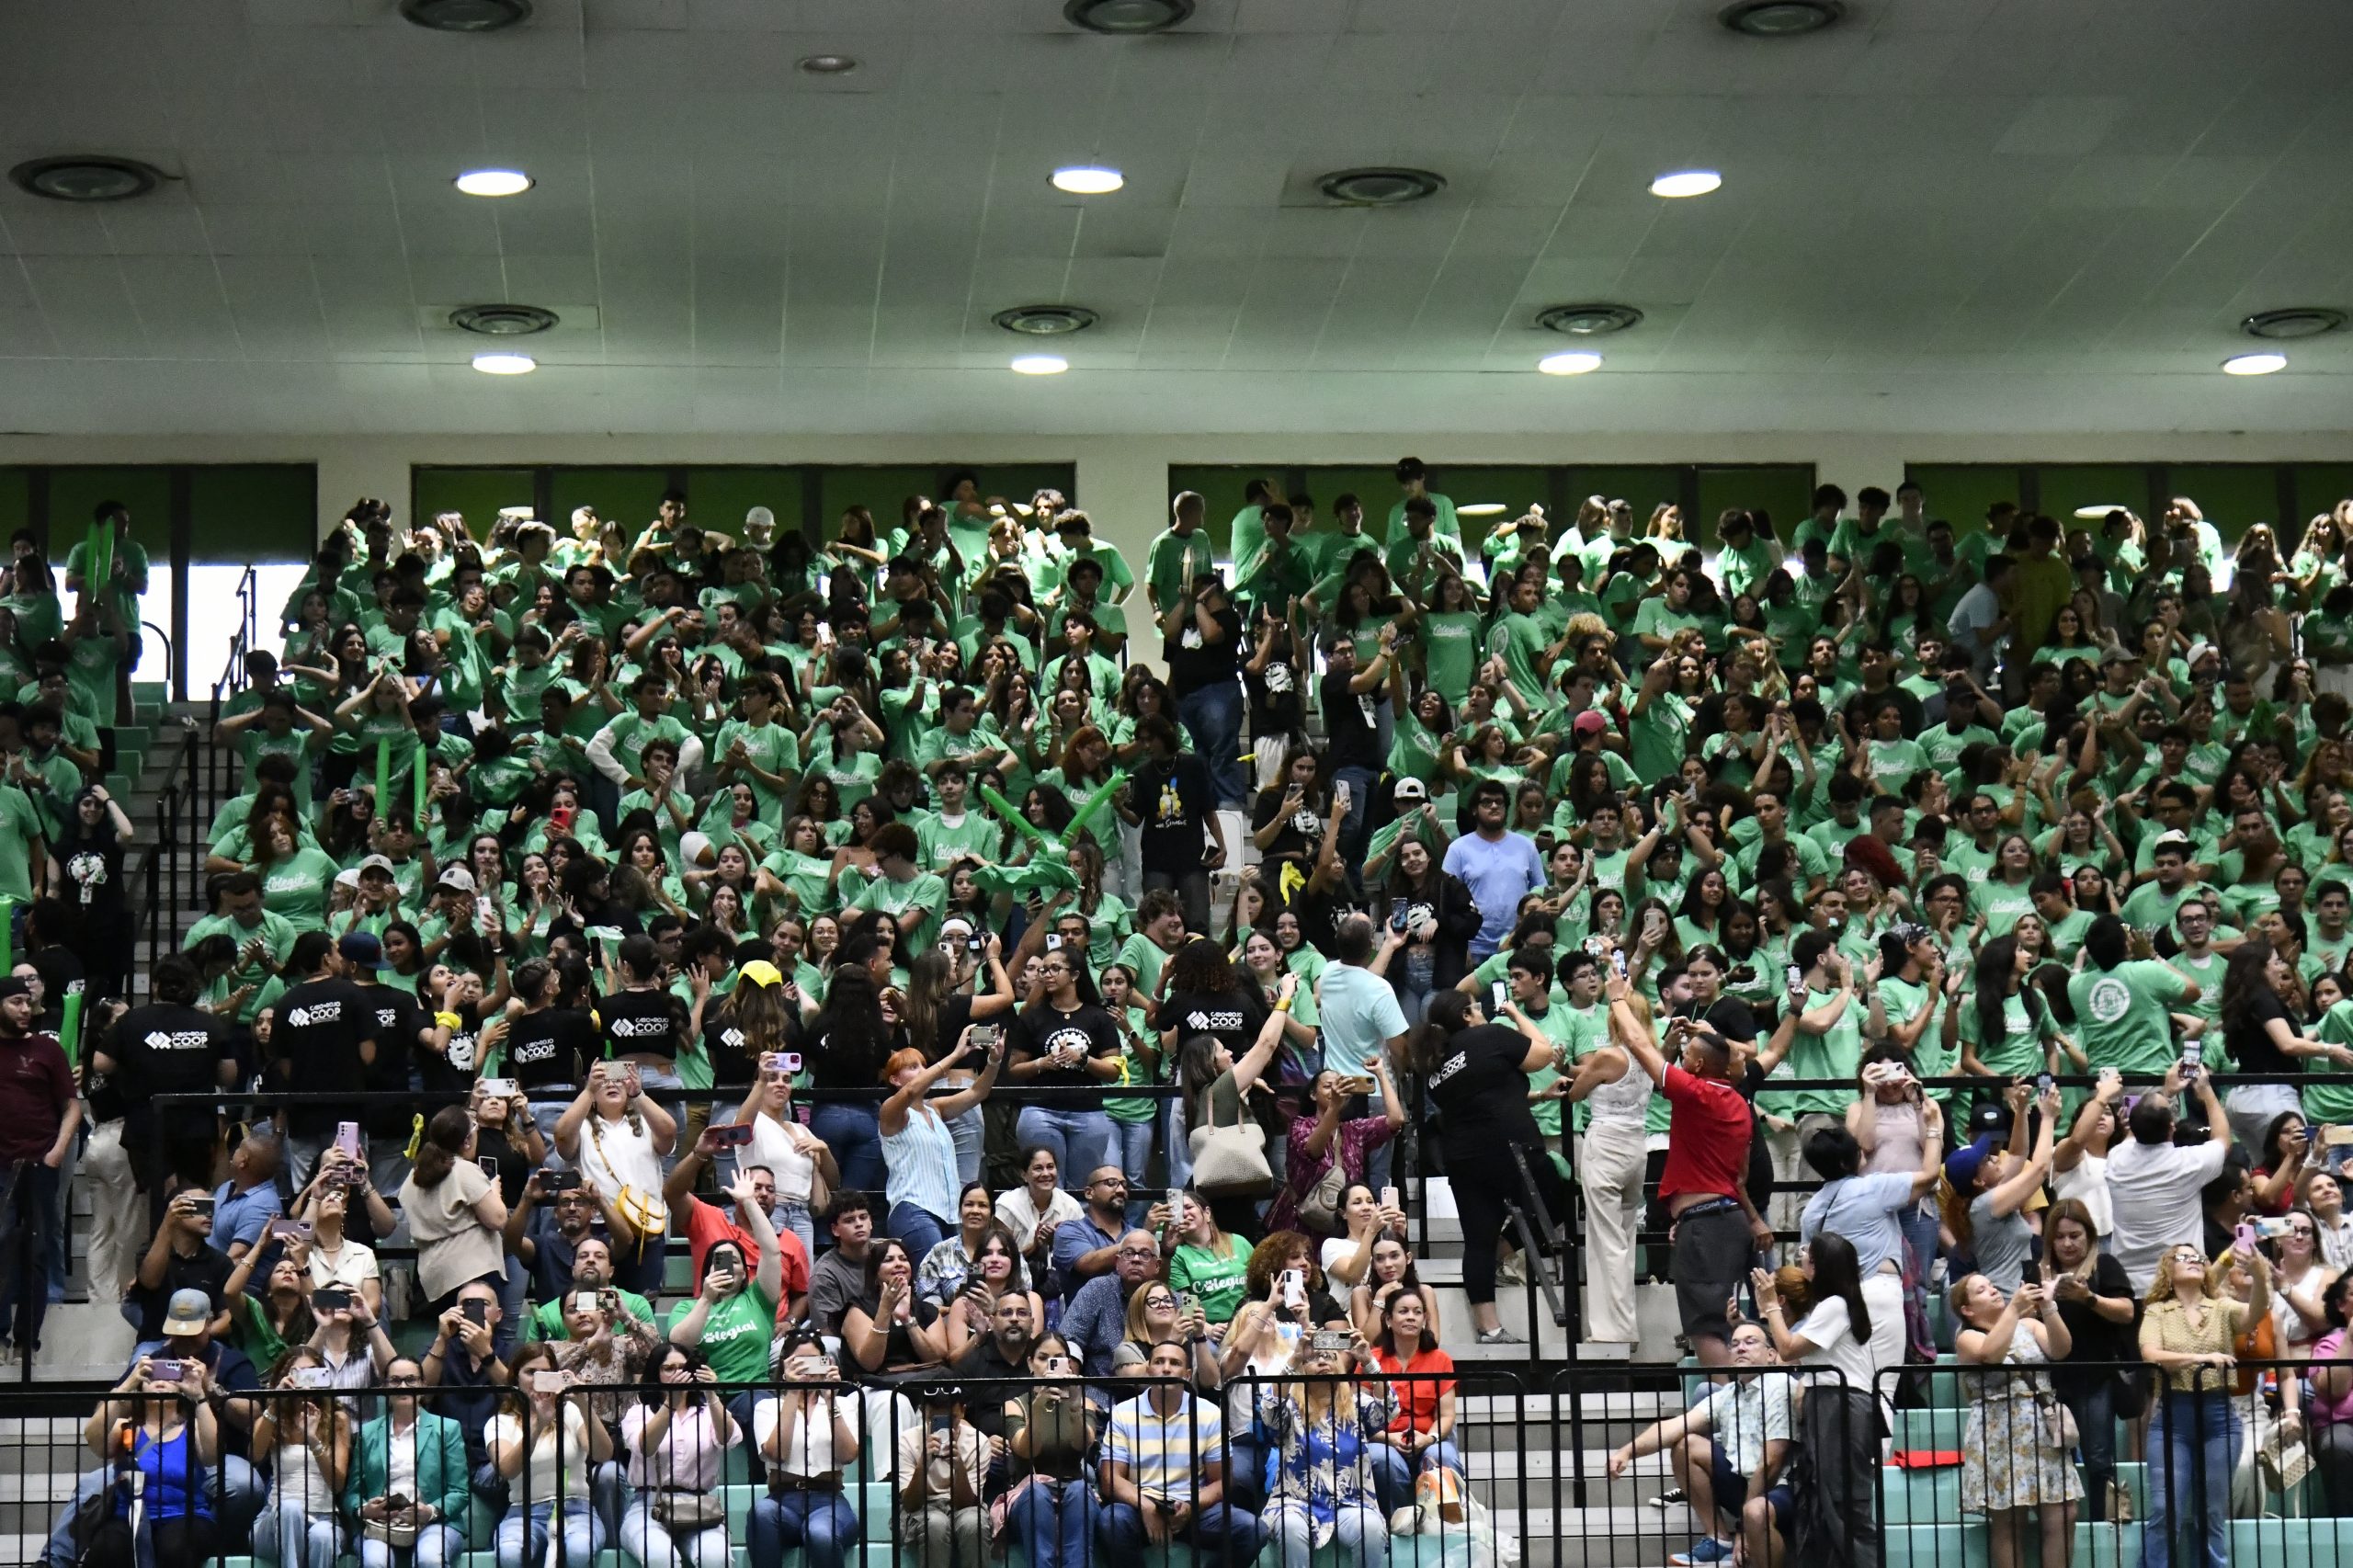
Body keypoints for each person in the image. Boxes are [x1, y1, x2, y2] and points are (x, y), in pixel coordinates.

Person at [1607, 967, 1762, 1367]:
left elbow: (1641, 1045)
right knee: (1727, 1317)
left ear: (1695, 1067)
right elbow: (1739, 1177)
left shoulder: (1696, 1093)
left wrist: (1618, 998)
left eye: (1686, 1056)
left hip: (1707, 1224)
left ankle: (1729, 1406)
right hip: (1724, 1219)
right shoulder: (1739, 1105)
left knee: (1706, 1325)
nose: (1679, 1058)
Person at [1407, 987, 1562, 1346]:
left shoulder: (1435, 1066)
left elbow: (1490, 1093)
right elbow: (1542, 1054)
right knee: (1556, 1200)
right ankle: (1502, 1252)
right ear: (1465, 1016)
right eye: (1476, 1008)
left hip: (1464, 1159)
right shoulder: (1489, 1035)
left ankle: (1489, 1328)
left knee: (1477, 1239)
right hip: (1512, 1149)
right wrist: (1515, 1015)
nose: (1481, 1013)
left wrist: (1540, 1095)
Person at [1608, 1319, 1792, 1568]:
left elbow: (1770, 1463)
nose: (1740, 1348)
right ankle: (1718, 1539)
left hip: (1780, 1488)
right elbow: (1675, 1426)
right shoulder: (1728, 1394)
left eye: (1750, 1342)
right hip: (1742, 1481)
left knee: (1755, 1513)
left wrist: (1744, 1529)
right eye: (1735, 1344)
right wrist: (1627, 1451)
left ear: (1771, 1354)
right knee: (1686, 1444)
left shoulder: (1780, 1386)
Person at [2141, 1241, 2271, 1568]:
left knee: (2212, 1512)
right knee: (2164, 1508)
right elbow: (2151, 1355)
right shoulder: (2158, 1310)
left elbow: (2256, 1313)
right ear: (2168, 1270)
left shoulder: (2222, 1306)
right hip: (2172, 1419)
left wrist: (2258, 1273)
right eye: (2182, 1257)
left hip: (2219, 1419)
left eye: (2197, 1256)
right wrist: (2201, 1358)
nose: (2193, 1260)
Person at [1951, 1269, 2081, 1568]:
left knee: (2064, 1512)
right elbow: (1990, 1355)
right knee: (2009, 1519)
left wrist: (2048, 1306)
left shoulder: (2028, 1324)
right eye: (1981, 1290)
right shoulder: (1968, 1336)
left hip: (2041, 1429)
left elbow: (2061, 1349)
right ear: (1967, 1310)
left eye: (1992, 1285)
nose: (1993, 1290)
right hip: (1998, 1433)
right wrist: (2013, 1308)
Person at [1096, 1338, 1262, 1561]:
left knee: (1253, 1530)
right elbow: (1110, 1479)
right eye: (1159, 1362)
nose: (1166, 1368)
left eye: (1174, 1363)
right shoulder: (1123, 1413)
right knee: (1112, 1522)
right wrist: (1145, 1506)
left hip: (1194, 1507)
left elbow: (1223, 1480)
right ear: (1148, 1369)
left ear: (1187, 1374)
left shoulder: (1209, 1413)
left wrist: (1192, 1506)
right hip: (1140, 1506)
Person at [68, 1351, 224, 1568]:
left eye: (168, 1376)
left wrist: (199, 1396)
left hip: (185, 1516)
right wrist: (126, 1385)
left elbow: (213, 1453)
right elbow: (94, 1440)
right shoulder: (127, 1426)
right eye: (152, 1375)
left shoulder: (193, 1428)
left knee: (174, 1546)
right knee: (107, 1545)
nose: (160, 1381)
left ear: (179, 1385)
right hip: (128, 1516)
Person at [1256, 1329, 1393, 1568]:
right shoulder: (1290, 1406)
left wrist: (1368, 1360)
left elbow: (1389, 1408)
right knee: (1290, 1527)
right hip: (1295, 1502)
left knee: (1370, 1527)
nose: (1321, 1361)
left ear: (1339, 1366)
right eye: (1312, 1358)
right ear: (1302, 1368)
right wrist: (1294, 1358)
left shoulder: (1357, 1404)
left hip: (1351, 1502)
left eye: (1329, 1356)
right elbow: (1269, 1410)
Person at [2040, 1197, 2140, 1525]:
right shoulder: (2038, 1271)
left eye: (2075, 1235)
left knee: (2099, 1461)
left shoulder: (2105, 1265)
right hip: (2052, 1384)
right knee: (2053, 1464)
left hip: (2097, 1378)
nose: (2067, 1243)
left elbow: (2127, 1312)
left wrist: (2089, 1298)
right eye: (2059, 1236)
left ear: (2090, 1236)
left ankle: (2102, 1532)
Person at [2106, 1064, 2234, 1293]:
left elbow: (2138, 1127)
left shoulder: (2116, 1159)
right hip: (2179, 1287)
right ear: (2172, 1128)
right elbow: (2223, 1139)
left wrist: (2166, 1093)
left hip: (2129, 1288)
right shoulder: (2188, 1164)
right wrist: (2206, 1091)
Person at [0, 973, 76, 1358]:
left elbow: (71, 1106)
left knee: (39, 1249)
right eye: (16, 1002)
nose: (25, 1009)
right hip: (1, 1165)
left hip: (40, 1163)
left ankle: (27, 1337)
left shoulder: (47, 1051)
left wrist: (58, 1151)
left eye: (28, 1002)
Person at [486, 1342, 613, 1568]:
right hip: (522, 1512)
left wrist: (584, 1402)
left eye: (544, 1373)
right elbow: (507, 1469)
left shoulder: (571, 1411)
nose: (537, 1379)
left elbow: (603, 1454)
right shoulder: (499, 1422)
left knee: (579, 1550)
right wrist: (538, 1425)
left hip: (575, 1508)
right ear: (516, 1378)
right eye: (530, 1372)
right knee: (509, 1554)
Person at [880, 1030, 1004, 1259]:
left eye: (923, 1065)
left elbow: (978, 1092)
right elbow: (910, 1090)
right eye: (913, 1067)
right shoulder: (891, 1111)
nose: (923, 1071)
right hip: (913, 1209)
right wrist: (956, 1055)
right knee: (934, 1285)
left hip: (948, 1214)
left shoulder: (934, 1108)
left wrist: (994, 1060)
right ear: (895, 1079)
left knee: (954, 1282)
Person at [617, 1341, 738, 1568]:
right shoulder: (639, 1412)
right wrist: (670, 1405)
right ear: (657, 1373)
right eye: (668, 1368)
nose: (677, 1373)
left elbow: (728, 1439)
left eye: (683, 1367)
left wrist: (711, 1393)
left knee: (715, 1557)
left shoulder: (707, 1410)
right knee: (661, 1556)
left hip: (699, 1505)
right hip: (649, 1505)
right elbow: (645, 1448)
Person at [342, 1355, 469, 1568]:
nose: (403, 1386)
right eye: (395, 1380)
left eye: (411, 1379)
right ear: (384, 1387)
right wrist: (364, 1510)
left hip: (435, 1522)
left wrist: (430, 1511)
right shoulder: (368, 1432)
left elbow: (460, 1491)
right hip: (379, 1524)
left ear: (423, 1385)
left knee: (429, 1558)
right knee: (373, 1562)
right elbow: (352, 1492)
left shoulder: (447, 1429)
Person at [1315, 915, 1411, 1195]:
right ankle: (1377, 1235)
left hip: (1338, 1093)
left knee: (1343, 1173)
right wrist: (1402, 1073)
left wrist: (1391, 945)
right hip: (1375, 1092)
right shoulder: (1379, 990)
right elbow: (1399, 1047)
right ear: (1370, 945)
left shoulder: (1330, 974)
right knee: (1376, 1180)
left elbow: (1364, 977)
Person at [749, 1335, 863, 1568]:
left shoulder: (845, 1405)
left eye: (813, 1361)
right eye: (799, 1362)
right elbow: (777, 1453)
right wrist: (792, 1392)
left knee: (820, 1533)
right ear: (785, 1365)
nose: (806, 1368)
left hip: (829, 1501)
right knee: (761, 1511)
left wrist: (831, 1400)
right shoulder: (768, 1407)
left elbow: (848, 1455)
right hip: (784, 1500)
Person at [396, 1107, 508, 1317]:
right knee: (477, 1339)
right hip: (474, 1273)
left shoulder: (412, 1178)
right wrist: (493, 1192)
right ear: (466, 1140)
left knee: (452, 1340)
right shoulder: (464, 1170)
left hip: (436, 1278)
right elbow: (498, 1219)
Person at [1000, 1332, 1098, 1568]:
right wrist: (1038, 1408)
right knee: (1037, 1493)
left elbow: (1083, 1444)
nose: (1050, 1365)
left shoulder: (1084, 1401)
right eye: (1043, 1358)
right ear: (1030, 1363)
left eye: (1059, 1358)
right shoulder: (1014, 1405)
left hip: (1073, 1490)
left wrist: (1074, 1409)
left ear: (1070, 1364)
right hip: (1030, 1495)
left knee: (1080, 1489)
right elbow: (1025, 1451)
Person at [249, 1346, 352, 1568]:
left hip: (324, 1517)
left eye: (312, 1372)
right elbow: (255, 1455)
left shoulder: (338, 1418)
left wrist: (314, 1440)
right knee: (291, 1508)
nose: (306, 1380)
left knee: (323, 1536)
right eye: (298, 1373)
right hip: (276, 1520)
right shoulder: (275, 1418)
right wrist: (275, 1404)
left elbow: (337, 1484)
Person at [1363, 1284, 1458, 1512]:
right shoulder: (1370, 1359)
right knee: (1381, 1459)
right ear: (1388, 1319)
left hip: (1426, 1439)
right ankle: (1400, 1523)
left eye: (1417, 1312)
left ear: (1424, 1319)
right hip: (1383, 1440)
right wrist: (1390, 1439)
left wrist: (1429, 1439)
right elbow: (1361, 1413)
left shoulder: (1440, 1360)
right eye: (1403, 1311)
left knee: (1442, 1455)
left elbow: (1446, 1415)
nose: (1411, 1317)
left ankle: (1442, 1527)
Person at [1441, 779, 1545, 962]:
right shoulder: (1458, 849)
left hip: (1517, 944)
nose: (1494, 806)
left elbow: (1540, 888)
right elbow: (1446, 901)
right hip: (1472, 949)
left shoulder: (1526, 846)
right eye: (1487, 802)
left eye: (1499, 802)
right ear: (1474, 810)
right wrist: (1460, 944)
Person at [893, 1383, 989, 1568]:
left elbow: (968, 1504)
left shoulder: (979, 1441)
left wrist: (959, 1466)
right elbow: (910, 1504)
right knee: (936, 1524)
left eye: (951, 1418)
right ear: (923, 1412)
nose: (944, 1425)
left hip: (964, 1508)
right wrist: (924, 1464)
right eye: (935, 1419)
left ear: (962, 1412)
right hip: (923, 1508)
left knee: (973, 1523)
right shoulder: (907, 1440)